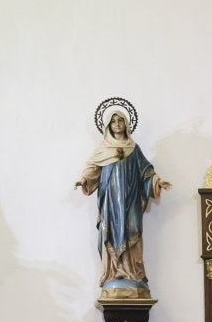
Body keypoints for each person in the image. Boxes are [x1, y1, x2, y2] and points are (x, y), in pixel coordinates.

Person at [74, 105, 172, 296]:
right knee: (109, 233)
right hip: (110, 201)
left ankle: (133, 275)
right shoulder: (102, 149)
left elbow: (146, 172)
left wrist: (157, 181)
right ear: (108, 126)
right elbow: (93, 169)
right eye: (113, 121)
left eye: (120, 121)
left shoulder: (134, 149)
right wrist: (84, 179)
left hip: (130, 200)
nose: (117, 124)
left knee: (131, 232)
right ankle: (112, 274)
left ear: (126, 124)